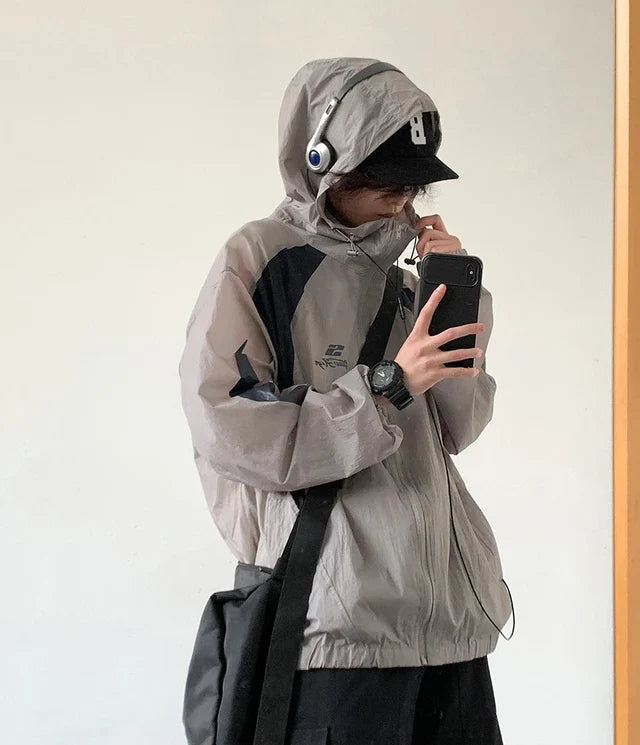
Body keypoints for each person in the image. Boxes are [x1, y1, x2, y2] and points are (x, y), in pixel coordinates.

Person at [178, 57, 513, 745]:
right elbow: (230, 428)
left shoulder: (410, 272)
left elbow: (459, 426)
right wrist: (387, 387)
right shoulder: (261, 257)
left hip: (450, 618)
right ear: (325, 165)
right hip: (336, 627)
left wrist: (455, 296)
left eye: (412, 183)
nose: (402, 199)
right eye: (385, 182)